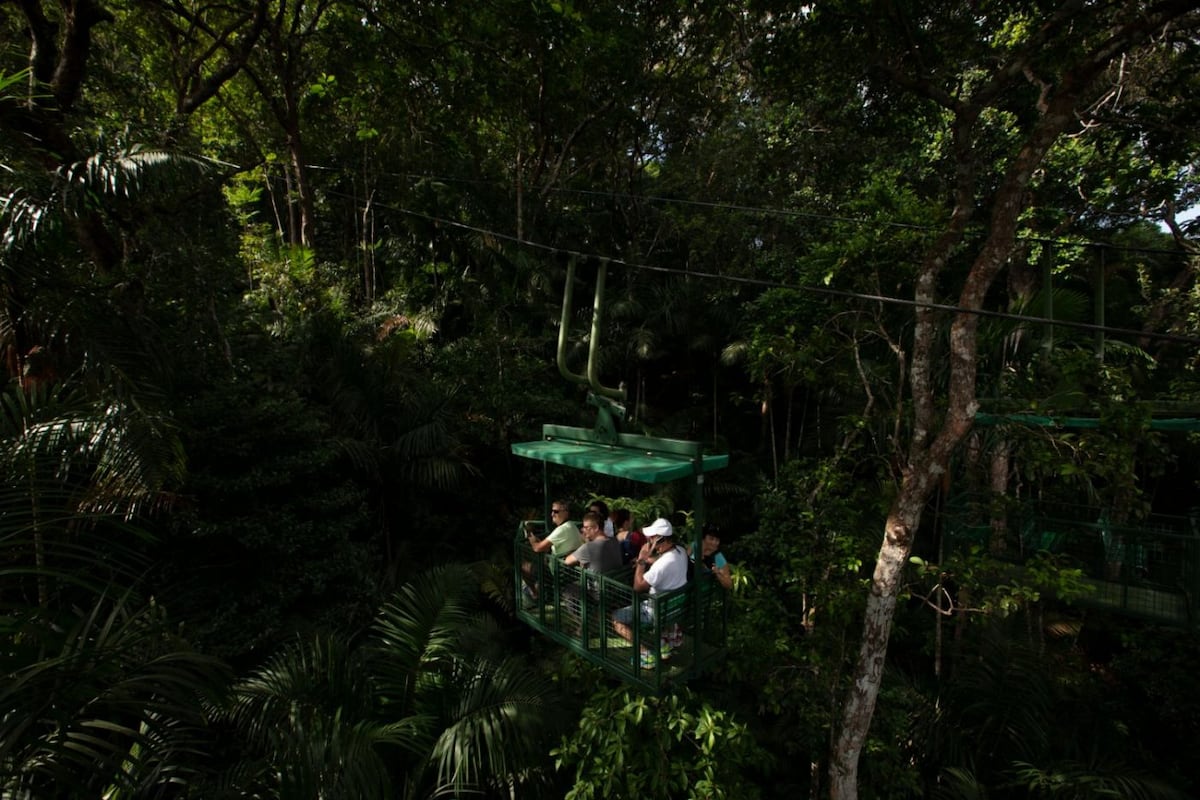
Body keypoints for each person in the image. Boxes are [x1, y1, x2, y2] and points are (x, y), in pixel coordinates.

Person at [612, 518, 688, 668]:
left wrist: (641, 561)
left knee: (616, 618)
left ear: (660, 539)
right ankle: (667, 641)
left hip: (655, 612)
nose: (648, 541)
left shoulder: (661, 565)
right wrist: (649, 560)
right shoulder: (681, 552)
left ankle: (645, 654)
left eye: (651, 538)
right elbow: (664, 563)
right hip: (674, 608)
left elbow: (638, 587)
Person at [562, 511, 622, 616]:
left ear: (596, 528)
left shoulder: (588, 547)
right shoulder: (614, 540)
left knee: (568, 590)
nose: (583, 530)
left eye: (586, 527)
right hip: (616, 591)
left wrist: (584, 545)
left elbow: (567, 561)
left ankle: (583, 621)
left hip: (598, 594)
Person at [522, 499, 583, 603]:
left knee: (524, 567)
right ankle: (542, 591)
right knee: (541, 562)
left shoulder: (562, 529)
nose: (552, 514)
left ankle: (535, 594)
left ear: (566, 512)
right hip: (570, 571)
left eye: (556, 511)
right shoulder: (572, 526)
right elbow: (546, 547)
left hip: (558, 572)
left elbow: (537, 548)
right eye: (552, 511)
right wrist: (539, 542)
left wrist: (531, 539)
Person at [693, 524, 732, 590]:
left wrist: (718, 573)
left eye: (717, 540)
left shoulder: (718, 557)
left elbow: (729, 585)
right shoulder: (694, 546)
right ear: (703, 538)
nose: (714, 542)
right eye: (711, 539)